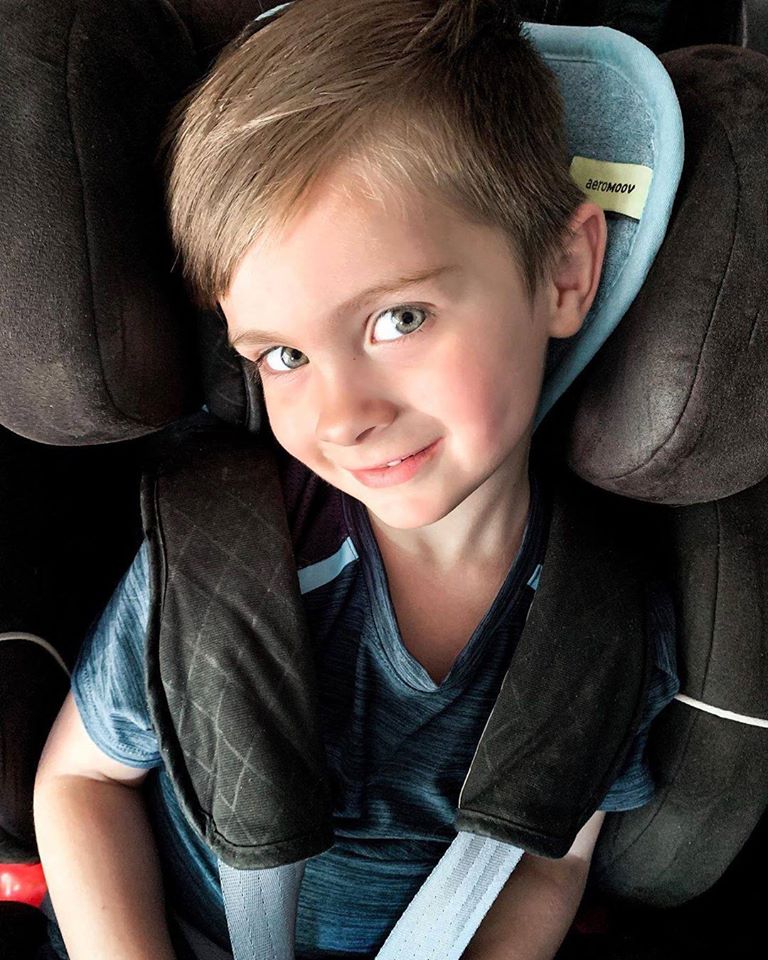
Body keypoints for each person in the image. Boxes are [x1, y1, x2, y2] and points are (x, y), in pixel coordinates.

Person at [34, 1, 678, 958]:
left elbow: (547, 862)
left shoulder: (603, 623)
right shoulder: (228, 561)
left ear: (563, 271)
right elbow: (81, 782)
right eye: (284, 354)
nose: (341, 418)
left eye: (398, 319)